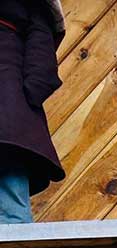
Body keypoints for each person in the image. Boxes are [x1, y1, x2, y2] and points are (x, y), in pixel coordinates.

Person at [0, 0, 65, 223]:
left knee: (10, 209)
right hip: (10, 109)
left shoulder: (29, 6)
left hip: (7, 111)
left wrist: (27, 94)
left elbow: (41, 54)